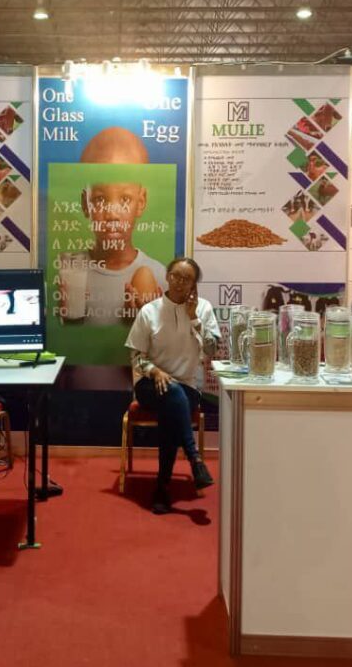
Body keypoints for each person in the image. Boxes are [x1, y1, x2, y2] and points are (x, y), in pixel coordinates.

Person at [125, 257, 220, 514]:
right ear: (167, 276)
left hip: (187, 387)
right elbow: (136, 357)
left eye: (187, 279)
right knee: (172, 394)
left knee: (173, 403)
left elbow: (212, 350)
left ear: (194, 284)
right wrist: (155, 371)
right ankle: (194, 458)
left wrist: (194, 318)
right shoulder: (149, 311)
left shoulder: (204, 309)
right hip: (150, 384)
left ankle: (162, 486)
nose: (180, 282)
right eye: (176, 276)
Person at [67, 126, 165, 325]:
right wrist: (69, 319)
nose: (112, 214)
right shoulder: (69, 274)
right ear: (85, 203)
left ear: (141, 202)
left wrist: (145, 327)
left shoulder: (160, 276)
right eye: (100, 198)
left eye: (125, 199)